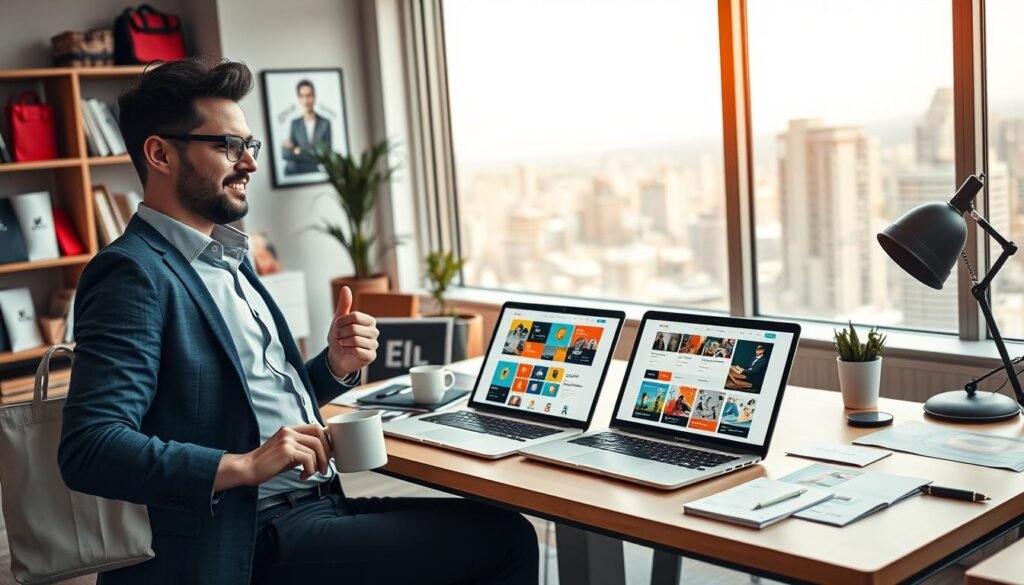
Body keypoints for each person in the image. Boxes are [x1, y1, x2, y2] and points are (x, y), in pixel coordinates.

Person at [57, 59, 537, 585]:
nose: (250, 164)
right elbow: (91, 447)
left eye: (250, 145)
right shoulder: (133, 272)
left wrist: (334, 365)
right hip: (243, 536)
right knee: (503, 542)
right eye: (227, 146)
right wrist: (242, 466)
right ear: (160, 153)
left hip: (312, 504)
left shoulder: (227, 257)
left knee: (496, 525)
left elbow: (245, 407)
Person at [281, 79, 331, 175]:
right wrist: (297, 150)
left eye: (309, 96)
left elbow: (326, 153)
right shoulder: (295, 123)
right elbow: (287, 154)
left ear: (314, 97)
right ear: (298, 99)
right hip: (298, 170)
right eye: (302, 96)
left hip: (316, 170)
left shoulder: (325, 123)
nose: (306, 100)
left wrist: (299, 150)